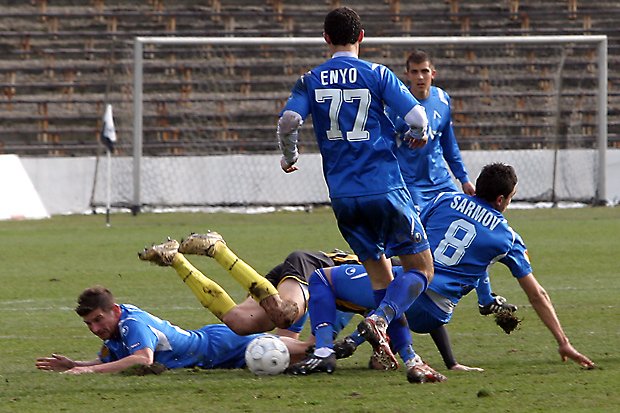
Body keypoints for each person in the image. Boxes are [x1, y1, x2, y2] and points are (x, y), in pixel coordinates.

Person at [289, 163, 595, 379]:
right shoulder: (507, 238)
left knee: (323, 278)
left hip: (407, 291)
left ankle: (325, 351)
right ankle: (377, 343)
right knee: (427, 281)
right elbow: (536, 294)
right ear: (502, 200)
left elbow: (411, 237)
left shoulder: (446, 199)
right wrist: (563, 341)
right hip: (434, 315)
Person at [277, 6, 433, 377]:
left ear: (326, 39)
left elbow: (288, 121)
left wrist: (290, 156)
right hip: (385, 187)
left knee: (382, 277)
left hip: (344, 196)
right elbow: (418, 119)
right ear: (361, 36)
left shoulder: (311, 78)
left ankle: (408, 358)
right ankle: (380, 319)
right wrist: (417, 136)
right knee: (422, 269)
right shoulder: (377, 74)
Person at [35, 286, 309, 374]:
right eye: (89, 324)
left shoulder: (131, 324)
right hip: (211, 346)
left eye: (98, 320)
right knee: (285, 353)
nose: (95, 328)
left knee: (299, 354)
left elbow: (143, 359)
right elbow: (116, 360)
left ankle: (329, 338)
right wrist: (76, 363)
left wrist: (88, 370)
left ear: (115, 310)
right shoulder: (118, 328)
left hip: (219, 346)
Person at [138, 234, 358, 339]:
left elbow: (292, 342)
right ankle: (218, 249)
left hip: (307, 283)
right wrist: (351, 343)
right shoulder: (381, 283)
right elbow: (322, 343)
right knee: (284, 313)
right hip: (311, 267)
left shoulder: (373, 293)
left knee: (240, 323)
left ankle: (174, 259)